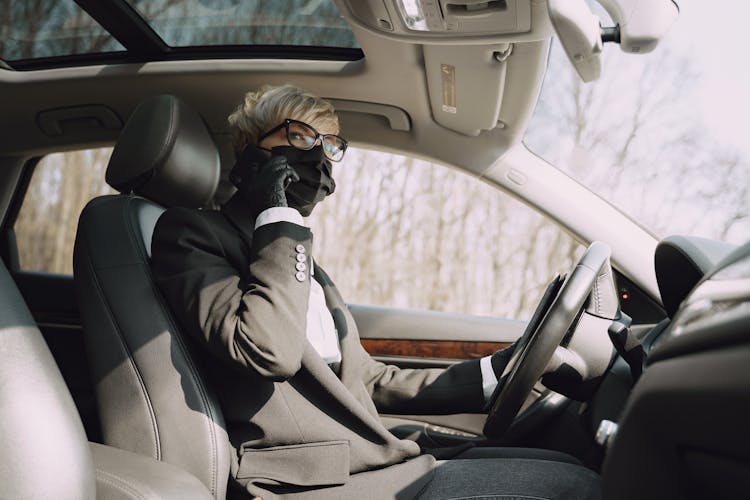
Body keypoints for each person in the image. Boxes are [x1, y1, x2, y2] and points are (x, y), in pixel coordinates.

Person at [150, 84, 601, 499]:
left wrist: (495, 371)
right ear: (252, 153)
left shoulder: (298, 261)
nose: (318, 159)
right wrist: (279, 216)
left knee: (564, 463)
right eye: (301, 138)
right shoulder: (194, 235)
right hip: (304, 481)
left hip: (364, 459)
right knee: (575, 488)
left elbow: (365, 379)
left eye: (328, 146)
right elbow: (269, 351)